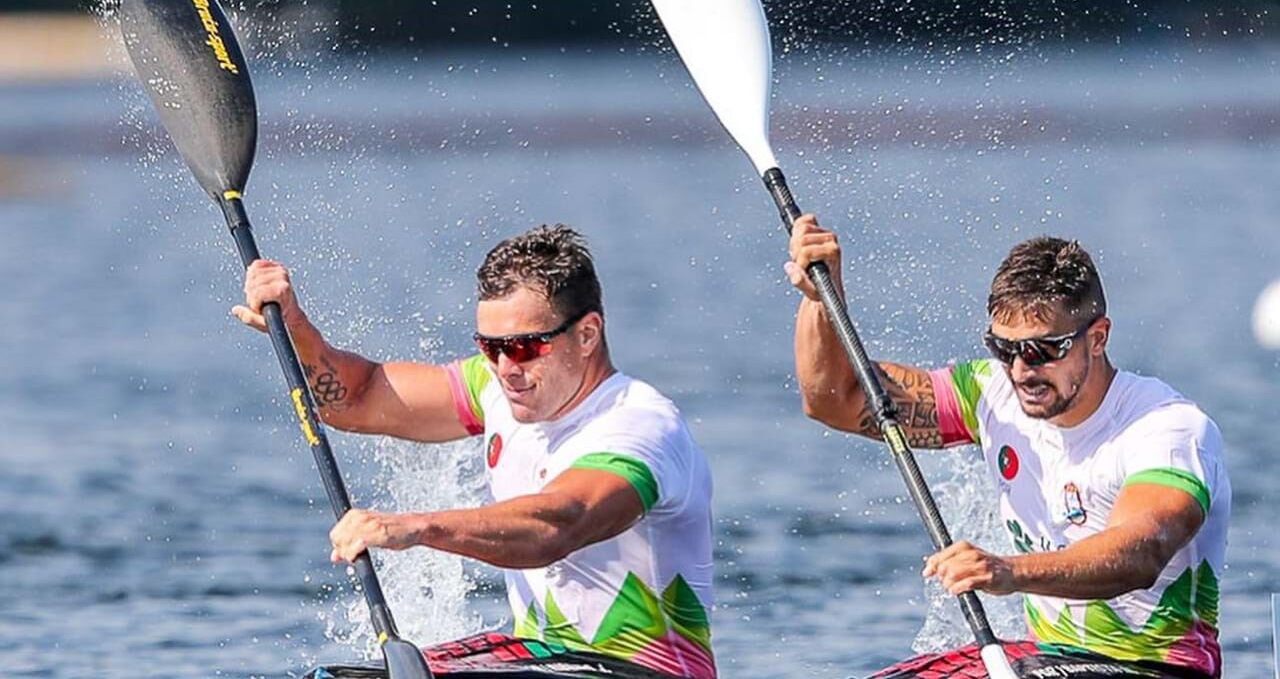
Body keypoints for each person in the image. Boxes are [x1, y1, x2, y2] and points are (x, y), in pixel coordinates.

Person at [236, 225, 716, 679]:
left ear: (587, 334)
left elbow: (558, 525)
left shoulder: (639, 424)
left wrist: (416, 526)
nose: (506, 368)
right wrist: (295, 325)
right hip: (544, 660)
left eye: (526, 347)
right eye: (491, 347)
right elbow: (356, 400)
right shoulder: (496, 388)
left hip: (641, 671)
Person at [784, 216, 1230, 679]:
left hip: (1150, 669)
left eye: (1044, 350)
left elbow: (1141, 553)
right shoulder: (990, 394)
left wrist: (1009, 571)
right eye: (1005, 348)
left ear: (1097, 338)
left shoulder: (1167, 428)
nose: (1020, 371)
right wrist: (820, 299)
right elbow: (836, 401)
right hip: (1046, 659)